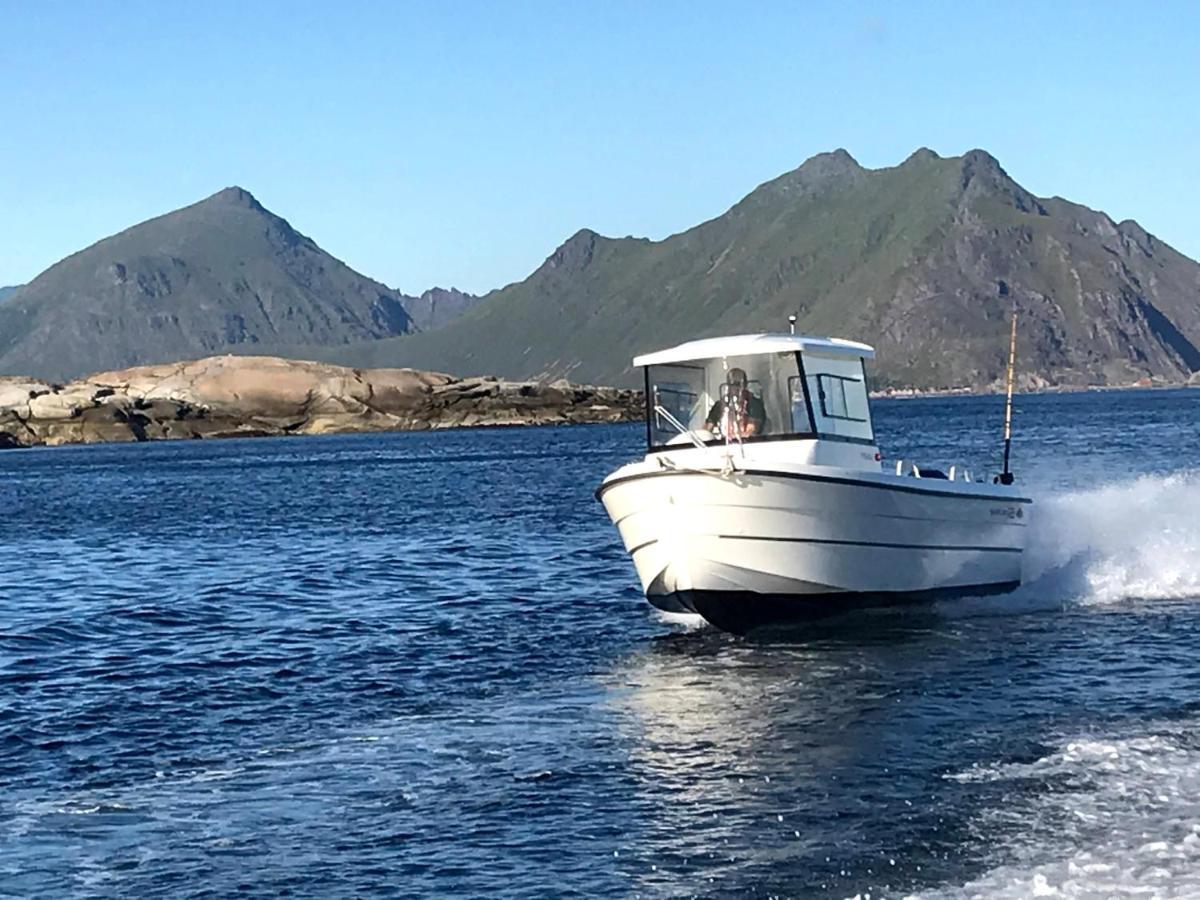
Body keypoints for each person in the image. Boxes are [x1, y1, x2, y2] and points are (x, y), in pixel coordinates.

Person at [705, 367, 766, 438]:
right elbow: (707, 429)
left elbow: (751, 431)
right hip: (724, 445)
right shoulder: (719, 405)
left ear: (745, 385)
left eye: (739, 384)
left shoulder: (755, 404)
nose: (736, 388)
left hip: (749, 445)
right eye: (732, 384)